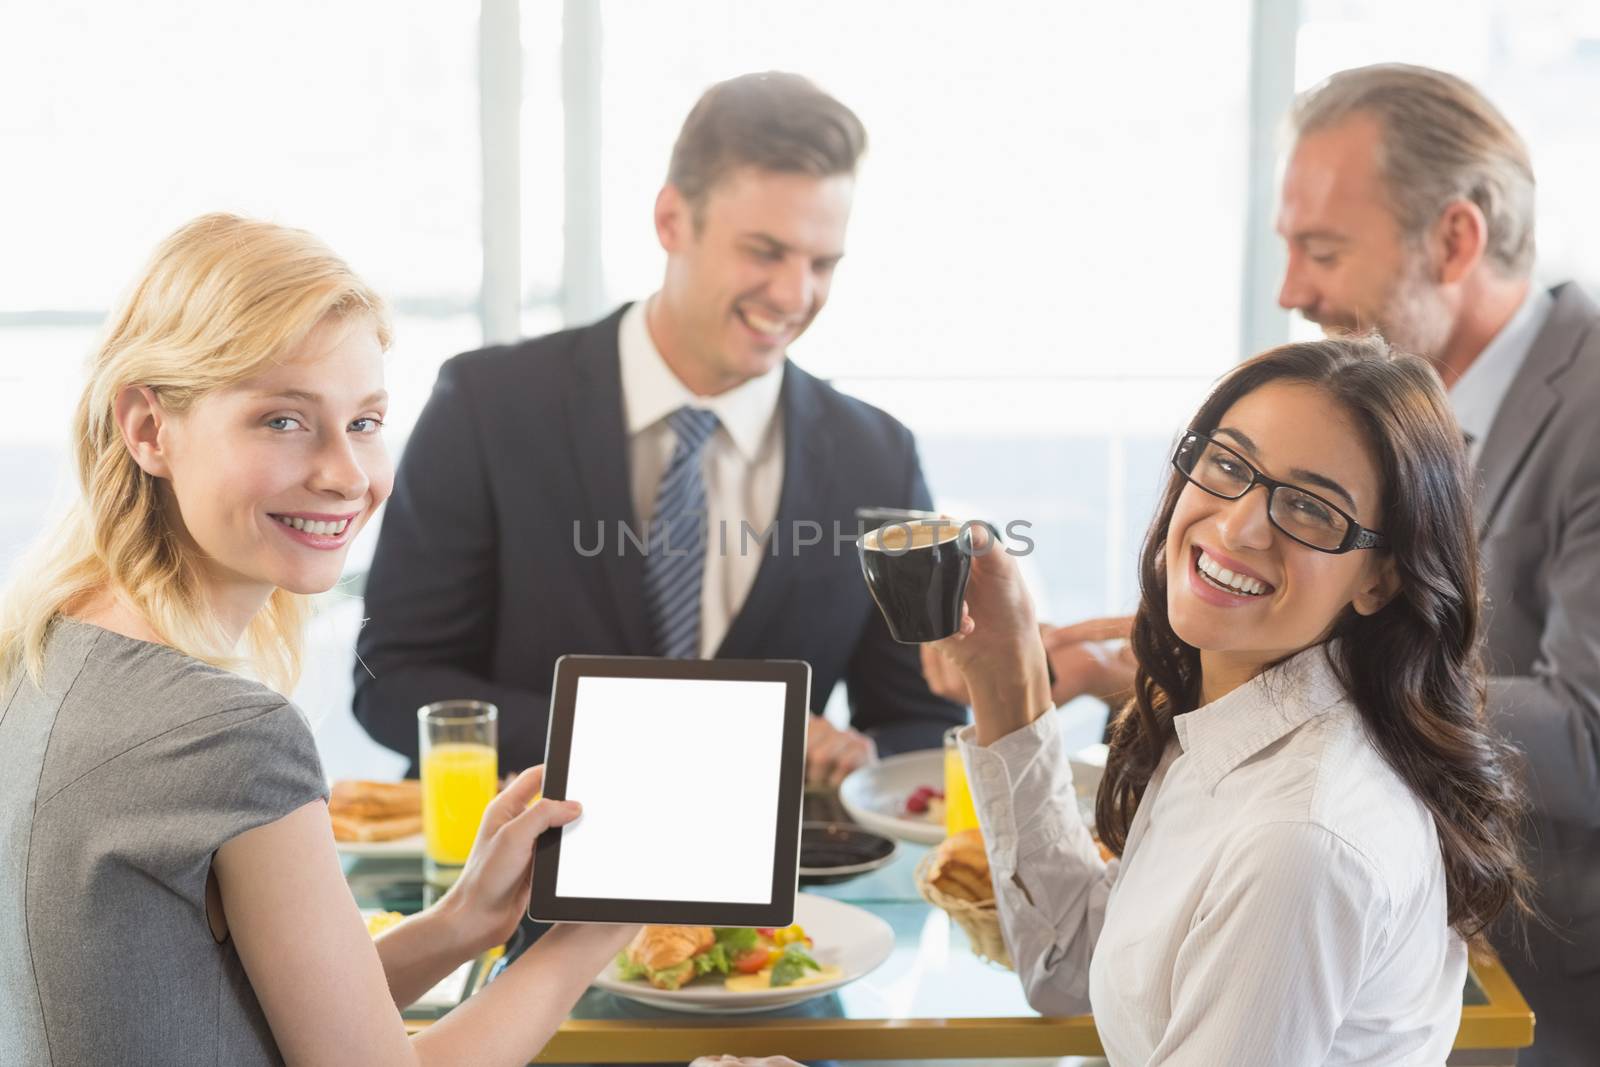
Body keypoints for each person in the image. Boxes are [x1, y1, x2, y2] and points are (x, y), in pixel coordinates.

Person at [0, 214, 637, 1065]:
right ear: (148, 428)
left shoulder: (44, 646)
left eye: (366, 422)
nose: (346, 473)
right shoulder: (225, 734)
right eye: (283, 422)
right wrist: (591, 934)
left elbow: (221, 1007)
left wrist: (460, 924)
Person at [927, 338, 1530, 1063]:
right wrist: (1005, 672)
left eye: (1309, 508)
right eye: (1227, 464)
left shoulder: (1299, 840)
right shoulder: (1232, 726)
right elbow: (1076, 965)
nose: (1238, 526)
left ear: (1380, 578)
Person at [354, 72, 963, 785]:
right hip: (516, 875)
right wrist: (697, 735)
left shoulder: (876, 455)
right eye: (765, 251)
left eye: (822, 263)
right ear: (672, 220)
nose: (796, 295)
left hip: (783, 891)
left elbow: (919, 717)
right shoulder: (487, 405)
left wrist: (857, 763)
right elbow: (394, 682)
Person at [1275, 63, 1600, 1063]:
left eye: (1322, 249)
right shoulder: (1415, 408)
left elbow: (1588, 732)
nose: (1295, 292)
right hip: (1421, 953)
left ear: (1455, 238)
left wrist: (1303, 675)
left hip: (1551, 994)